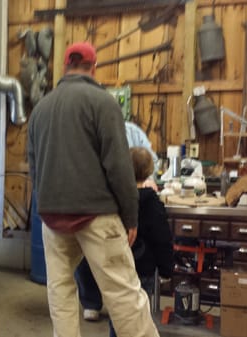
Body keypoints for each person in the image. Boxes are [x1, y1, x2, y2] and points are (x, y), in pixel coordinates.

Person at [27, 41, 160, 337]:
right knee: (124, 294)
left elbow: (34, 167)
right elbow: (119, 166)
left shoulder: (41, 109)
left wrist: (46, 202)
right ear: (93, 67)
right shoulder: (102, 102)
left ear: (65, 66)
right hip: (96, 214)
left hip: (52, 218)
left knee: (60, 292)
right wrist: (131, 217)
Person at [76, 147, 174, 337]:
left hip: (118, 262)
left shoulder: (113, 199)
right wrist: (166, 269)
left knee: (118, 310)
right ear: (149, 171)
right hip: (144, 267)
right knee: (139, 311)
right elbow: (162, 237)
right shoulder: (152, 202)